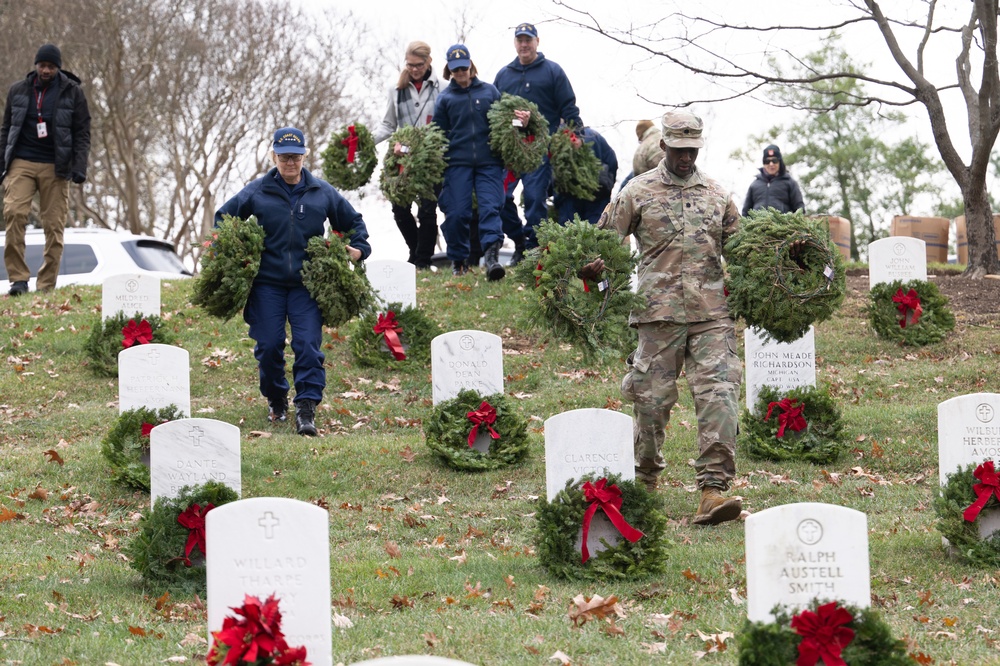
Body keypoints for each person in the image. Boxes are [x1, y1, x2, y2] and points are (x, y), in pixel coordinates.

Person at [588, 110, 744, 526]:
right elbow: (603, 243)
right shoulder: (636, 193)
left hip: (712, 315)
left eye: (692, 151)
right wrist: (594, 266)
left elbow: (745, 252)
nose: (685, 158)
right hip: (657, 315)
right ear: (664, 146)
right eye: (679, 150)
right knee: (651, 402)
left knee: (720, 396)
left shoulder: (716, 194)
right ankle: (644, 481)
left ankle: (713, 491)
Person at [215, 127, 371, 436]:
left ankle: (306, 408)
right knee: (270, 345)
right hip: (266, 285)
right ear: (273, 156)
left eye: (296, 157)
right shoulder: (257, 191)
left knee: (308, 346)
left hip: (307, 285)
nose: (290, 163)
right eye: (284, 157)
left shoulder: (321, 192)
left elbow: (353, 222)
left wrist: (359, 248)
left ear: (304, 157)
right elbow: (224, 218)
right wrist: (232, 250)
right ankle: (276, 399)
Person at [1, 44, 90, 296]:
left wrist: (79, 166)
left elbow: (82, 133)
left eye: (51, 66)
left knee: (54, 224)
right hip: (22, 161)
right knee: (15, 213)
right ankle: (18, 280)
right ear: (36, 65)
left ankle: (46, 283)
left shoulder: (73, 93)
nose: (46, 70)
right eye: (43, 65)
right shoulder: (18, 90)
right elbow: (6, 129)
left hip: (56, 165)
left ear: (58, 67)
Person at [494, 22, 582, 262]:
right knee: (499, 199)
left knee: (534, 199)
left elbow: (569, 108)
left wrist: (577, 136)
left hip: (540, 151)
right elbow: (494, 113)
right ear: (515, 43)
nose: (524, 45)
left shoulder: (552, 71)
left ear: (537, 42)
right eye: (520, 40)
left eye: (528, 40)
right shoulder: (503, 75)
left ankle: (534, 249)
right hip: (511, 151)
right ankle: (520, 241)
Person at [431, 44, 506, 281]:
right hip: (457, 164)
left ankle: (492, 259)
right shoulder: (445, 99)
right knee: (456, 213)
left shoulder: (490, 92)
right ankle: (459, 261)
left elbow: (503, 123)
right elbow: (437, 134)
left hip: (489, 163)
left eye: (464, 67)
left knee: (490, 207)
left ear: (471, 65)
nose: (461, 72)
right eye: (456, 69)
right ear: (449, 70)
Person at [372, 41, 442, 270]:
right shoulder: (396, 90)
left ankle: (422, 261)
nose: (414, 69)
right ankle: (414, 251)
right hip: (402, 160)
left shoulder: (442, 86)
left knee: (427, 211)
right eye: (410, 65)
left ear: (429, 61)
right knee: (400, 209)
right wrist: (366, 141)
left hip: (432, 161)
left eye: (419, 65)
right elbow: (388, 125)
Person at [554, 126, 618, 225]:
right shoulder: (595, 136)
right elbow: (612, 162)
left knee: (569, 233)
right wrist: (607, 184)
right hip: (598, 192)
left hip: (569, 194)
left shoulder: (558, 138)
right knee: (596, 231)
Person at [741, 143, 805, 216]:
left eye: (774, 160)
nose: (771, 164)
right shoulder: (754, 185)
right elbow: (745, 211)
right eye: (767, 161)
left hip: (783, 226)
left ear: (780, 162)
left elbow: (799, 209)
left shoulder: (790, 182)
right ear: (764, 163)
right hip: (757, 226)